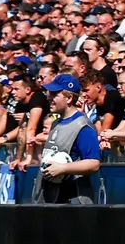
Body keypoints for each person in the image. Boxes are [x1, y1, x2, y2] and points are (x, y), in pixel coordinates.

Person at [36, 75, 101, 204]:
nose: (49, 98)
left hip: (73, 199)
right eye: (49, 94)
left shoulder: (82, 126)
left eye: (54, 94)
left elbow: (94, 163)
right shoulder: (55, 123)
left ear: (69, 98)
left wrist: (63, 168)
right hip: (52, 197)